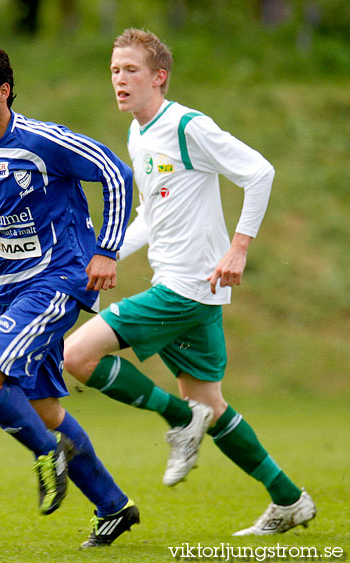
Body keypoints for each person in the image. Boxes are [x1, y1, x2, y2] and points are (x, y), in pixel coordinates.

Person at [63, 28, 316, 536]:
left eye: (130, 70)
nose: (119, 79)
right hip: (190, 289)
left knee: (77, 356)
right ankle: (289, 500)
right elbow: (150, 215)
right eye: (114, 70)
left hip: (185, 288)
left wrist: (238, 248)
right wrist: (104, 253)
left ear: (159, 77)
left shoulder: (186, 126)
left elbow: (259, 172)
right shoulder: (139, 133)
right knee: (212, 407)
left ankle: (178, 419)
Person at [0, 44, 138, 548]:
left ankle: (49, 455)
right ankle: (113, 506)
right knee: (43, 407)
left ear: (3, 91)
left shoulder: (44, 141)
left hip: (61, 280)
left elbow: (116, 173)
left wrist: (106, 250)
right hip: (11, 292)